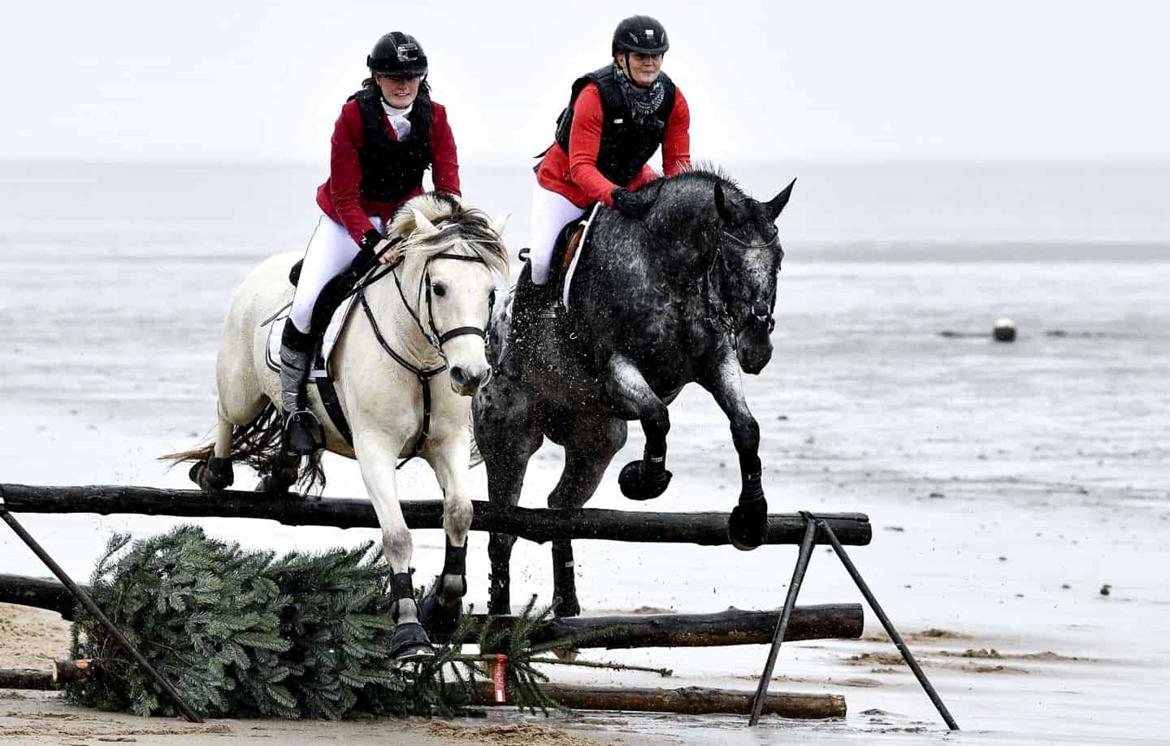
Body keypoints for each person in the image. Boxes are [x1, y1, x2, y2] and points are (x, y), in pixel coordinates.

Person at [280, 31, 461, 454]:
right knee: (307, 304)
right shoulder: (352, 117)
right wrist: (372, 242)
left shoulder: (436, 116)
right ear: (376, 77)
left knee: (452, 288)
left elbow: (448, 186)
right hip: (349, 220)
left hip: (407, 218)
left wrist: (448, 228)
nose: (403, 84)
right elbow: (344, 195)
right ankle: (293, 409)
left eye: (412, 76)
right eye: (393, 76)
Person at [500, 15, 690, 377]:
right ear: (621, 57)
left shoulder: (673, 100)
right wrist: (615, 197)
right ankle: (515, 341)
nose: (649, 63)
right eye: (640, 56)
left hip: (628, 181)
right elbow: (582, 167)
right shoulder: (594, 94)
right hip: (567, 184)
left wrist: (674, 204)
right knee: (541, 261)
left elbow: (678, 163)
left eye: (656, 56)